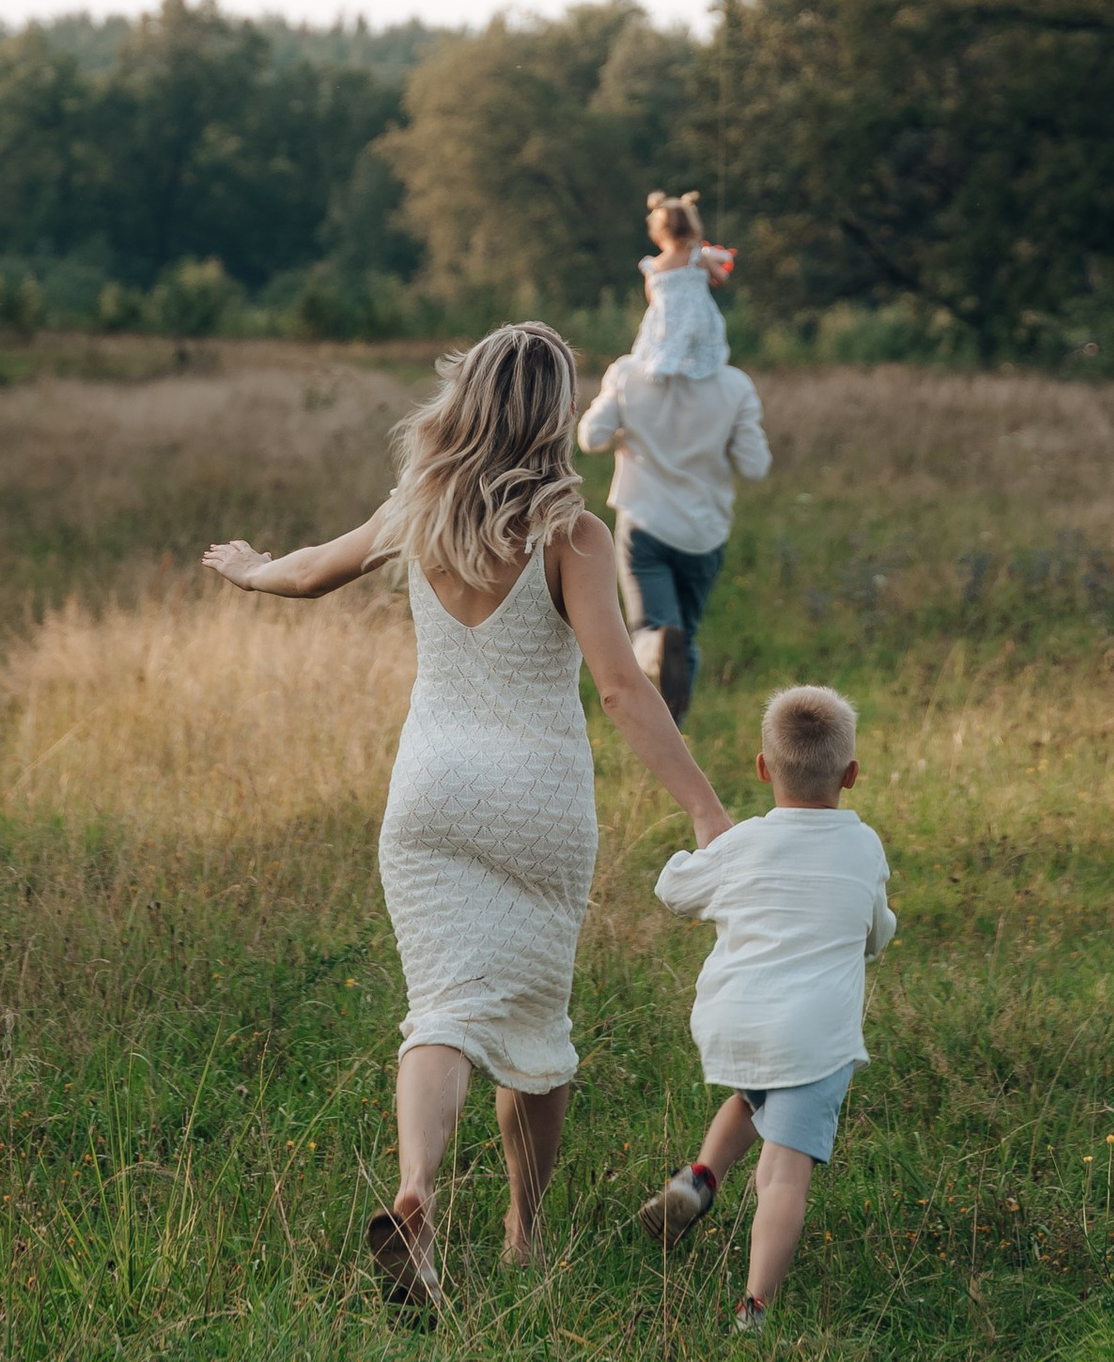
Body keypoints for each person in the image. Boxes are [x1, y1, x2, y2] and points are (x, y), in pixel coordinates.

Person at [202, 320, 728, 1309]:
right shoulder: (571, 531)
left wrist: (251, 566)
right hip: (535, 801)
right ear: (556, 412)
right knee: (535, 1018)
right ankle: (525, 1232)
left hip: (430, 794)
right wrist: (702, 806)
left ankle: (415, 1192)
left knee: (441, 1005)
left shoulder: (420, 505)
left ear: (469, 399)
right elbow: (621, 687)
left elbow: (312, 567)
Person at [638, 683, 895, 1333]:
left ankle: (698, 1178)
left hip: (736, 1020)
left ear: (761, 768)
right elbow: (876, 931)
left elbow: (674, 891)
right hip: (814, 1036)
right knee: (783, 1175)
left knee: (754, 1095)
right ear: (852, 774)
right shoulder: (863, 847)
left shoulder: (742, 843)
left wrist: (707, 844)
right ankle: (754, 1310)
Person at [578, 236, 771, 723]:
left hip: (644, 524)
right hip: (705, 532)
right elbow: (755, 466)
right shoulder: (735, 387)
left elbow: (590, 436)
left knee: (650, 628)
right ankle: (676, 725)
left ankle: (657, 663)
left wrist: (625, 428)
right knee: (686, 630)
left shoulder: (627, 374)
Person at [632, 189, 735, 377]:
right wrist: (720, 262)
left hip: (664, 328)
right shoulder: (698, 257)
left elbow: (651, 299)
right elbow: (721, 278)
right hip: (700, 324)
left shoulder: (652, 266)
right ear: (693, 228)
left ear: (657, 233)